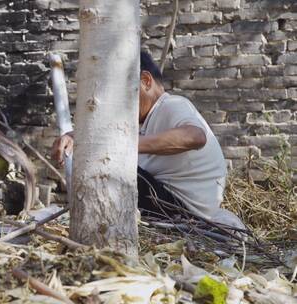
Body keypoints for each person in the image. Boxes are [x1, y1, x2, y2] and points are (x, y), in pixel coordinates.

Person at [51, 50, 244, 229]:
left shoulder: (172, 105)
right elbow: (106, 134)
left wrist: (120, 146)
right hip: (165, 204)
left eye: (122, 96)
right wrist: (73, 137)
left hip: (181, 209)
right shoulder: (141, 120)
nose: (119, 107)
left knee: (109, 165)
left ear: (145, 81)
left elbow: (195, 137)